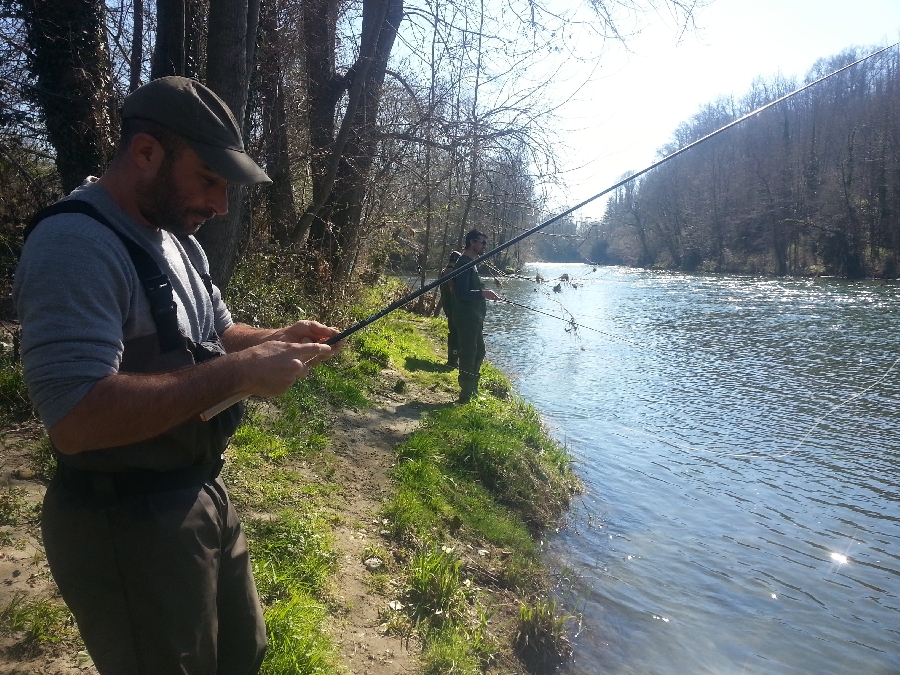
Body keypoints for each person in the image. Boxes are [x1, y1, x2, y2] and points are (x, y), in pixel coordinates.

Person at [13, 76, 343, 675]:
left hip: (198, 490)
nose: (219, 204)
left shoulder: (178, 240)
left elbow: (216, 336)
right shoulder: (74, 245)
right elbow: (75, 418)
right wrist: (239, 372)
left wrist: (276, 340)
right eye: (208, 179)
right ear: (145, 153)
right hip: (123, 520)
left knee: (244, 653)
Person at [450, 230, 501, 403]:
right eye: (482, 243)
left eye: (486, 243)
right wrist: (484, 293)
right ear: (472, 242)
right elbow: (462, 293)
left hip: (475, 318)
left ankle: (473, 390)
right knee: (469, 353)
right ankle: (465, 394)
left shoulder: (472, 263)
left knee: (479, 351)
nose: (485, 247)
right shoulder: (464, 263)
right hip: (466, 318)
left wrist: (483, 294)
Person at [438, 250, 462, 367]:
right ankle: (452, 361)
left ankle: (453, 360)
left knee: (454, 332)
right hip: (453, 308)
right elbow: (453, 291)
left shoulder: (444, 271)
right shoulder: (450, 273)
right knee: (454, 334)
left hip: (448, 307)